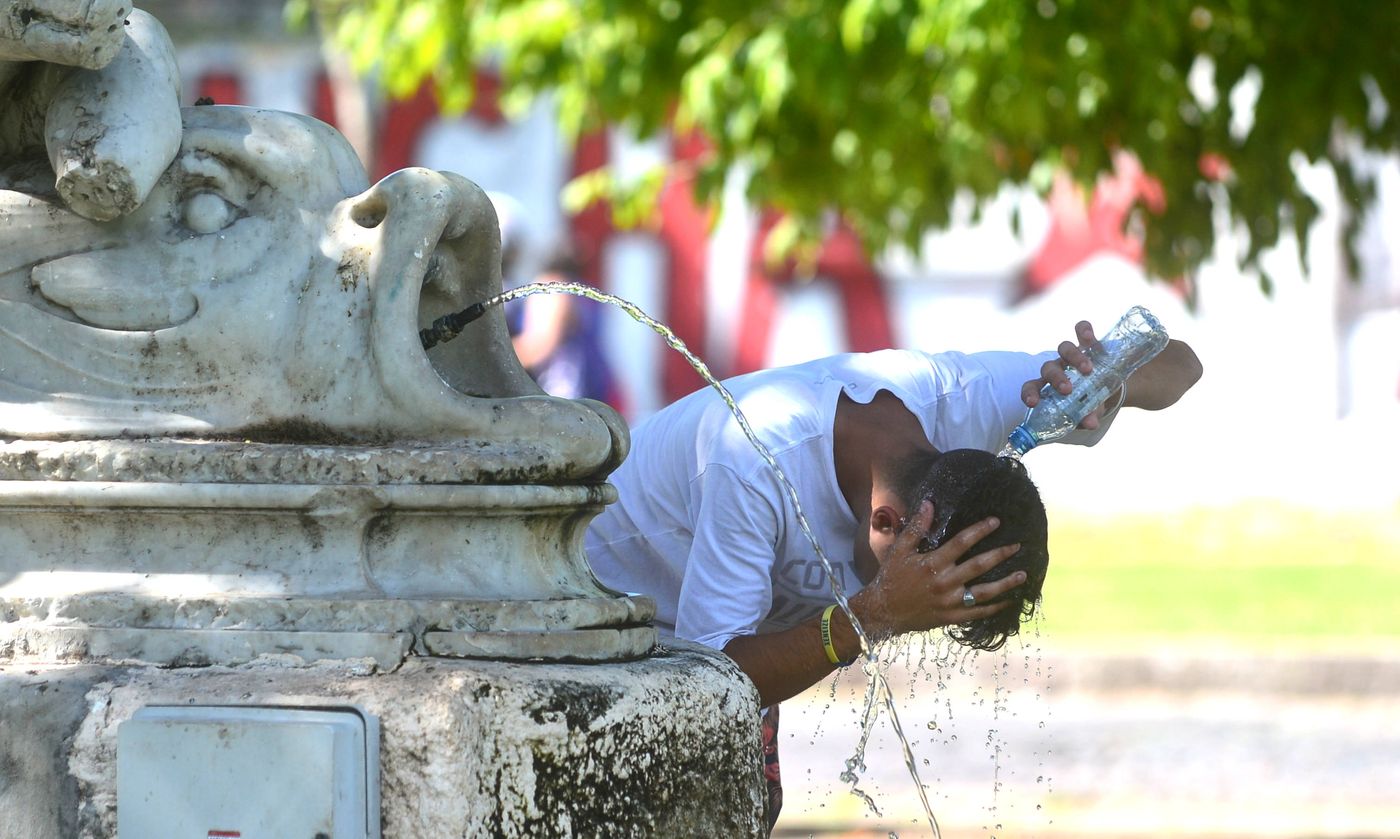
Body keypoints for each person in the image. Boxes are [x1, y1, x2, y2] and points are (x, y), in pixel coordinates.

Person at [583, 320, 1202, 829]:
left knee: (749, 811)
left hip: (728, 640)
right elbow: (711, 683)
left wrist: (1109, 379)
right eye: (916, 596)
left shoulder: (976, 407)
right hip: (595, 615)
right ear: (885, 522)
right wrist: (874, 613)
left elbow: (1183, 366)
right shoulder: (755, 459)